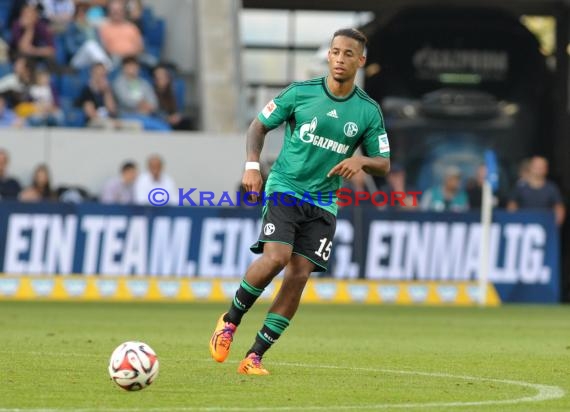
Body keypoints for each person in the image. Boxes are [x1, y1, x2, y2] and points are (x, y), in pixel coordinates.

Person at [208, 28, 390, 375]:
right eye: (335, 52)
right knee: (276, 257)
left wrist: (361, 161)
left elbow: (384, 163)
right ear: (329, 56)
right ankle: (230, 321)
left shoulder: (368, 111)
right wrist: (251, 166)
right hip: (286, 187)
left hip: (324, 201)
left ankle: (255, 356)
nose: (339, 59)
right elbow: (258, 126)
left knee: (299, 274)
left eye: (348, 54)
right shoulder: (300, 93)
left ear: (360, 60)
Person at [113, 56, 170, 131]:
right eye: (130, 66)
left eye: (135, 66)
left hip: (145, 116)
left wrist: (148, 106)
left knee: (164, 128)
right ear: (124, 67)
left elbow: (154, 102)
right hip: (126, 116)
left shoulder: (144, 84)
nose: (133, 69)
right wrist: (140, 104)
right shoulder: (119, 83)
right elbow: (125, 100)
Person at [507, 156, 566, 226]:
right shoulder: (520, 187)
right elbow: (511, 206)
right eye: (536, 166)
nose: (538, 169)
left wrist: (554, 225)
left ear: (546, 169)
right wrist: (513, 221)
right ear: (530, 167)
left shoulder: (551, 188)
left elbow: (559, 208)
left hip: (544, 226)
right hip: (523, 226)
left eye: (541, 167)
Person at [152, 64, 193, 130]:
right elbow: (153, 110)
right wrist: (166, 118)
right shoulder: (151, 91)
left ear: (168, 78)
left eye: (163, 76)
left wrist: (177, 116)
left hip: (174, 118)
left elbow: (180, 108)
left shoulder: (174, 89)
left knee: (186, 123)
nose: (160, 79)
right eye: (158, 77)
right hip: (160, 118)